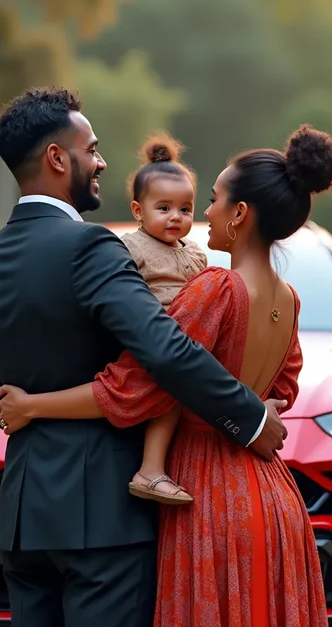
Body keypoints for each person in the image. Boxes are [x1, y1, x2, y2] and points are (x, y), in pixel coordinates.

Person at [0, 87, 288, 627]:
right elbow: (166, 350)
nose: (102, 162)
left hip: (22, 516)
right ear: (57, 158)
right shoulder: (91, 248)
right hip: (104, 518)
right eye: (92, 149)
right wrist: (250, 418)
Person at [122, 131, 207, 504]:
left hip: (190, 343)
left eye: (185, 209)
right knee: (171, 395)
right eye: (164, 208)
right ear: (138, 211)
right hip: (155, 344)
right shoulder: (129, 247)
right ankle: (150, 470)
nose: (176, 217)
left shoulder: (196, 254)